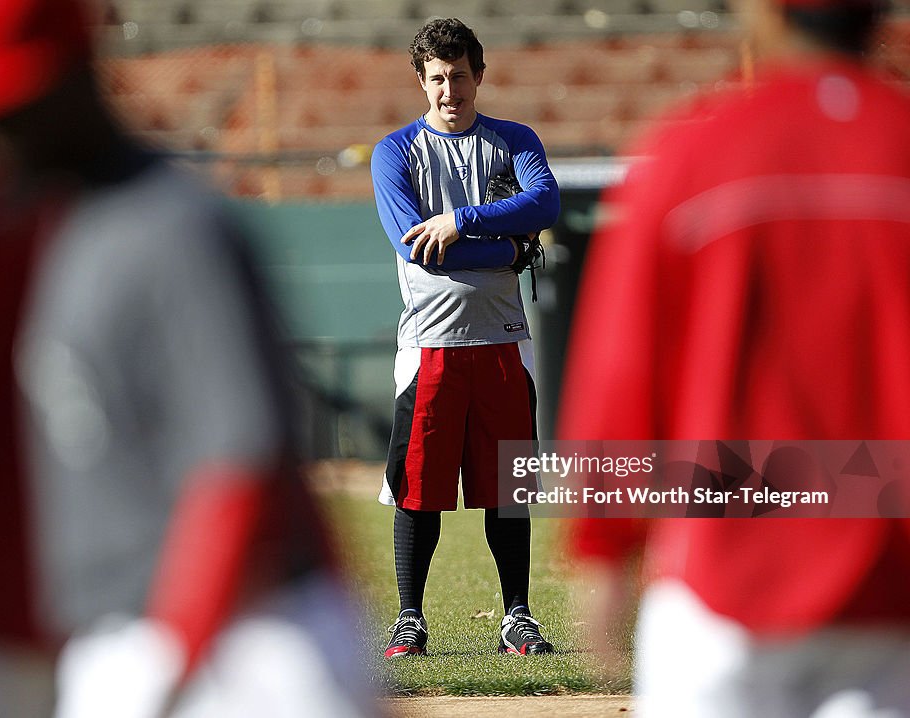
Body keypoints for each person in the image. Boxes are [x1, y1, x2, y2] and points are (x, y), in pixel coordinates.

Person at [0, 1, 379, 716]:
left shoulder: (170, 226)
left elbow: (238, 461)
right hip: (123, 642)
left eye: (13, 106)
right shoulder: (43, 226)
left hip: (248, 649)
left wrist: (169, 654)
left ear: (77, 77)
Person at [558, 0, 910, 715]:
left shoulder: (695, 150)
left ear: (763, 14)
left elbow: (625, 364)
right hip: (895, 589)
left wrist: (603, 543)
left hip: (719, 583)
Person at [370, 17, 560, 659]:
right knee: (417, 486)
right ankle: (409, 620)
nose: (449, 89)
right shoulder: (395, 152)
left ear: (480, 74)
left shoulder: (514, 140)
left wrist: (460, 221)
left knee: (507, 486)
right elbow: (416, 247)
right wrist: (506, 249)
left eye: (459, 75)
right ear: (421, 82)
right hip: (429, 345)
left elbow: (546, 204)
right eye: (437, 78)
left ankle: (518, 616)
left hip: (506, 341)